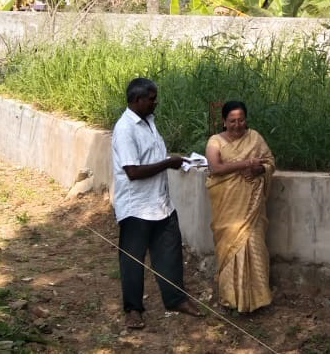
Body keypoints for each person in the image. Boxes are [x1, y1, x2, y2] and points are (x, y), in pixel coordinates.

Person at [111, 77, 203, 330]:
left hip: (160, 203)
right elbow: (133, 171)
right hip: (136, 207)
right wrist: (168, 163)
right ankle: (133, 310)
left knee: (170, 254)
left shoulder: (149, 123)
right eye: (151, 99)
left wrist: (180, 161)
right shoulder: (125, 129)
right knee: (133, 260)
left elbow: (153, 157)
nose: (156, 102)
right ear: (137, 100)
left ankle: (175, 300)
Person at [205, 100, 275, 313]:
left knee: (254, 245)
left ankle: (259, 299)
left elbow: (270, 161)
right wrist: (246, 164)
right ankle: (230, 299)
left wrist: (259, 170)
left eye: (241, 120)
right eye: (232, 121)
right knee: (230, 249)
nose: (237, 125)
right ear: (224, 121)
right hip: (227, 207)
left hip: (251, 208)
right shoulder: (215, 141)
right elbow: (215, 168)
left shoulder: (254, 138)